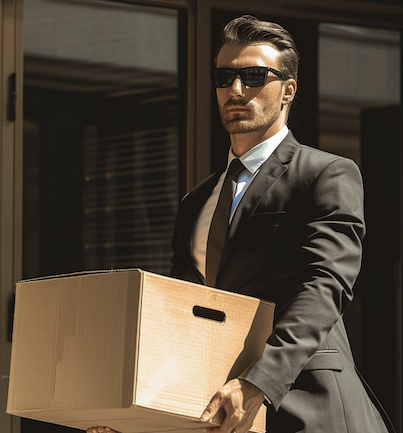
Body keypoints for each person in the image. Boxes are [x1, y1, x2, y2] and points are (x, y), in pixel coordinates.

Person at [88, 15, 395, 433]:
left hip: (308, 408)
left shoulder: (326, 174)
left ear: (288, 90)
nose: (235, 90)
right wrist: (134, 413)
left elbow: (325, 286)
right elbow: (182, 314)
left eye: (253, 76)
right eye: (224, 77)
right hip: (219, 409)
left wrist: (258, 381)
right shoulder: (197, 201)